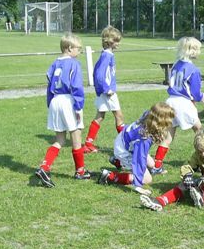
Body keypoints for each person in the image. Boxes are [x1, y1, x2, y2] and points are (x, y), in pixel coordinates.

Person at [35, 33, 91, 188]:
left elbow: (48, 84)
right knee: (76, 134)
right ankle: (80, 171)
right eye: (78, 49)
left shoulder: (54, 63)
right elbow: (77, 86)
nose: (79, 52)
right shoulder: (74, 64)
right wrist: (79, 105)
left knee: (59, 139)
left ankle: (44, 167)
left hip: (55, 100)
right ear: (69, 48)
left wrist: (50, 103)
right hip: (68, 101)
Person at [140, 129, 204, 211]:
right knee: (183, 184)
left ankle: (203, 196)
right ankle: (161, 201)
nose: (202, 154)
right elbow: (188, 165)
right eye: (199, 151)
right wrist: (187, 176)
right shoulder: (197, 155)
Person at [152, 37, 204, 174]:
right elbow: (194, 92)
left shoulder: (176, 64)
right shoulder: (194, 70)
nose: (199, 52)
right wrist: (201, 97)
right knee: (200, 131)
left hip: (171, 101)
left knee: (168, 136)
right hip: (183, 103)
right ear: (192, 50)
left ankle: (157, 165)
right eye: (198, 49)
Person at [97, 103, 175, 195]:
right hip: (124, 151)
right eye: (168, 120)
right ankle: (110, 176)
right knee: (147, 179)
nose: (169, 123)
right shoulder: (144, 138)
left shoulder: (149, 117)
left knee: (152, 164)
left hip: (123, 141)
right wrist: (138, 186)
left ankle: (118, 162)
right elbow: (139, 160)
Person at [83, 25, 125, 154]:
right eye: (117, 41)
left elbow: (96, 73)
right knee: (119, 116)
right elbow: (99, 74)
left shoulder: (105, 55)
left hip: (104, 92)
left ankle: (88, 143)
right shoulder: (107, 56)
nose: (118, 44)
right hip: (108, 92)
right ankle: (126, 143)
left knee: (100, 116)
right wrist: (107, 89)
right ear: (110, 41)